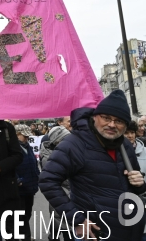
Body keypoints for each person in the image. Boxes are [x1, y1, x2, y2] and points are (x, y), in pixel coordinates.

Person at [39, 90, 146, 241]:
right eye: (106, 118)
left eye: (119, 121)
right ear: (95, 117)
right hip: (96, 233)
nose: (111, 124)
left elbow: (134, 185)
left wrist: (140, 184)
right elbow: (47, 180)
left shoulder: (125, 146)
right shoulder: (75, 144)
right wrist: (76, 218)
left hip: (131, 229)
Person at [14, 124, 40, 241]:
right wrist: (18, 180)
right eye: (24, 136)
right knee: (21, 216)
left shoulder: (28, 146)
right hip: (20, 189)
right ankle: (25, 237)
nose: (26, 138)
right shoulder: (13, 149)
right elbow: (11, 167)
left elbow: (34, 164)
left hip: (30, 188)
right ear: (16, 135)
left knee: (27, 213)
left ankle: (21, 234)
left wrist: (38, 176)